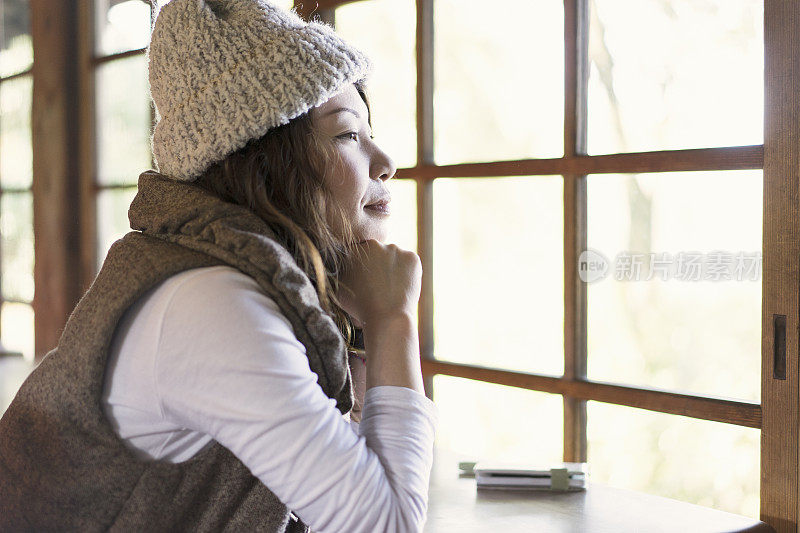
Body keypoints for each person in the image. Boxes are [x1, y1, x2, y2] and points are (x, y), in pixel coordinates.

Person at [0, 1, 438, 531]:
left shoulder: (219, 274)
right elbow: (387, 524)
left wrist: (366, 334)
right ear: (270, 162)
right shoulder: (214, 304)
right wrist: (394, 320)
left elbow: (348, 477)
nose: (385, 161)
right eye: (348, 134)